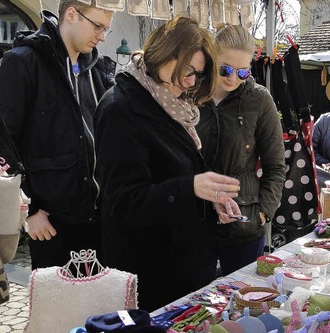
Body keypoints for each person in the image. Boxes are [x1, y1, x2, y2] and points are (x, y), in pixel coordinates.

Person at [94, 16, 242, 311]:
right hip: (150, 279)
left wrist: (210, 201)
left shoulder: (170, 104)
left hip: (183, 270)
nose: (190, 83)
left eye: (197, 75)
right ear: (163, 54)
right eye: (188, 71)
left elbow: (174, 175)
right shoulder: (121, 109)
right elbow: (125, 202)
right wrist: (191, 187)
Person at [0, 0, 116, 269]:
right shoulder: (23, 61)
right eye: (98, 26)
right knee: (61, 308)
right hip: (51, 222)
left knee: (103, 306)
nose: (102, 36)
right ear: (71, 14)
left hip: (100, 218)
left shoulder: (98, 70)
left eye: (106, 30)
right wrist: (28, 210)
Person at [196, 24, 286, 276]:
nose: (232, 78)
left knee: (242, 301)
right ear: (212, 57)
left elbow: (276, 166)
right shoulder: (191, 93)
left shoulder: (258, 100)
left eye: (243, 72)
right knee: (192, 306)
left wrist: (263, 214)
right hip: (194, 223)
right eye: (225, 68)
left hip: (243, 223)